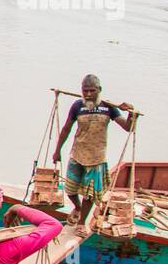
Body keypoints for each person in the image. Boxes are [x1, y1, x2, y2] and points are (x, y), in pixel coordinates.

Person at [52, 74, 135, 227]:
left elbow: (128, 127)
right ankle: (77, 208)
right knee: (70, 189)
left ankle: (82, 223)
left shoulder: (108, 107)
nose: (89, 95)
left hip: (96, 158)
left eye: (92, 91)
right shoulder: (78, 106)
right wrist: (57, 151)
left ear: (99, 90)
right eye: (85, 91)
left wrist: (131, 113)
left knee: (89, 194)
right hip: (77, 154)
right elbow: (66, 129)